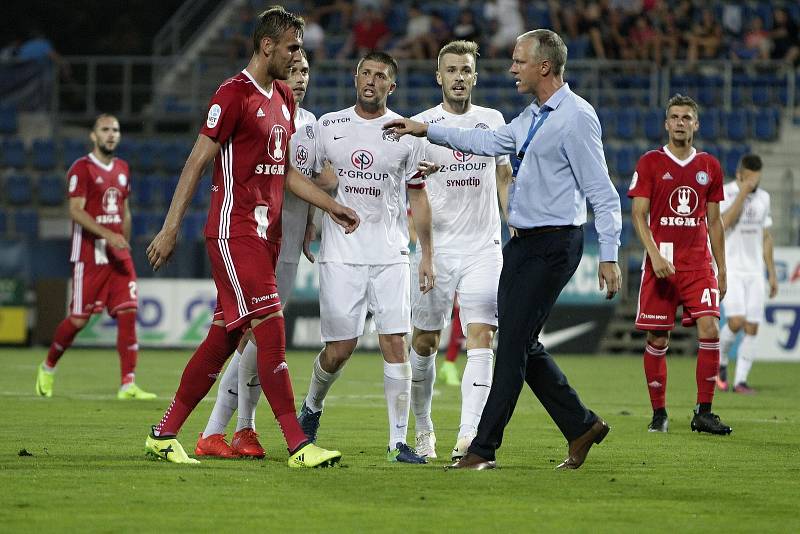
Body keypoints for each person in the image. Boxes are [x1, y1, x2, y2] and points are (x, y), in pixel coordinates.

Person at [385, 29, 621, 470]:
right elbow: (488, 144)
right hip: (522, 243)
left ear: (543, 67)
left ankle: (480, 447)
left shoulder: (577, 117)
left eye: (519, 61)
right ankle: (581, 424)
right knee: (523, 344)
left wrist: (608, 253)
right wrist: (427, 129)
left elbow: (604, 194)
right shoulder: (532, 116)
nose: (512, 68)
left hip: (554, 244)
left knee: (508, 346)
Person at [143, 6, 359, 467]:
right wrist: (170, 226)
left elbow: (282, 172)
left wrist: (331, 205)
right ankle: (299, 445)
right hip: (232, 230)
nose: (299, 57)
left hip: (265, 236)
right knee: (272, 327)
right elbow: (198, 160)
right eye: (293, 48)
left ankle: (164, 434)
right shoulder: (233, 94)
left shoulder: (283, 96)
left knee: (223, 338)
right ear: (268, 46)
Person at [296, 51, 438, 465]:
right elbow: (310, 177)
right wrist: (309, 223)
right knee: (339, 349)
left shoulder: (406, 133)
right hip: (341, 253)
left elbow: (418, 196)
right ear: (356, 77)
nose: (372, 80)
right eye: (367, 73)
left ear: (391, 86)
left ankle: (398, 442)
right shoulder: (329, 126)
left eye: (381, 76)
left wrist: (425, 253)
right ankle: (312, 406)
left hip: (392, 253)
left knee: (396, 342)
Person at [194, 50, 320, 459]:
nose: (300, 78)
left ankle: (227, 430)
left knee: (245, 336)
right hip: (250, 237)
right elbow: (287, 175)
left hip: (284, 241)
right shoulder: (258, 103)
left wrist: (314, 221)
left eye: (306, 72)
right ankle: (233, 428)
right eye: (295, 69)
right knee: (253, 336)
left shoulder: (310, 123)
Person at [406, 40, 513, 460]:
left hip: (485, 247)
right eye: (451, 70)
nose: (459, 77)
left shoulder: (492, 122)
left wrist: (514, 225)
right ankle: (424, 429)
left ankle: (468, 436)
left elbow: (504, 178)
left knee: (481, 335)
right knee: (426, 341)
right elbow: (413, 191)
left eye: (466, 69)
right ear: (439, 76)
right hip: (437, 249)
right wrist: (424, 251)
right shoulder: (421, 126)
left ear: (475, 75)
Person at [628, 94, 731, 436]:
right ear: (666, 124)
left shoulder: (709, 166)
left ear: (696, 124)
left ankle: (704, 412)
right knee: (658, 338)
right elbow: (638, 215)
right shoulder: (650, 163)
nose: (681, 122)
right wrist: (655, 254)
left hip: (698, 263)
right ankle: (659, 413)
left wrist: (722, 267)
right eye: (675, 117)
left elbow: (714, 222)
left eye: (687, 117)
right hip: (662, 262)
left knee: (710, 329)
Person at [34, 114, 155, 401]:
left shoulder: (123, 168)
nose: (111, 134)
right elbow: (75, 210)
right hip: (90, 256)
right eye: (105, 129)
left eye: (115, 129)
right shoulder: (82, 169)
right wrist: (107, 235)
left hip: (117, 256)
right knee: (78, 319)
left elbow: (124, 210)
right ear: (93, 135)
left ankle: (128, 384)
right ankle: (48, 367)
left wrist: (122, 240)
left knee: (128, 311)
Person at [717, 154, 778, 394]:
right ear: (740, 174)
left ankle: (740, 381)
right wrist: (743, 193)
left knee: (752, 326)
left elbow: (765, 236)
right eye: (750, 179)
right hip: (731, 268)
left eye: (757, 179)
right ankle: (720, 362)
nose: (754, 184)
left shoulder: (764, 198)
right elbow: (723, 224)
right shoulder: (726, 192)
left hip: (755, 272)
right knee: (736, 321)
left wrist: (771, 272)